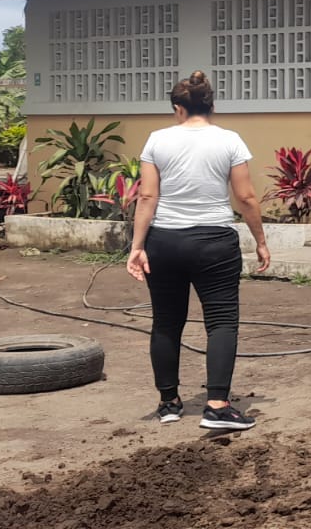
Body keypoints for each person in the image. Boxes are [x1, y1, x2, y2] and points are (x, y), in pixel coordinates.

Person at [127, 71, 269, 431]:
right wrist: (260, 241)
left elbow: (147, 196)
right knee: (221, 321)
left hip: (164, 242)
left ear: (178, 108)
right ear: (212, 106)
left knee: (166, 321)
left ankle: (169, 403)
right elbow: (246, 197)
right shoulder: (229, 140)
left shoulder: (157, 140)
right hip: (214, 243)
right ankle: (217, 406)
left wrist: (137, 247)